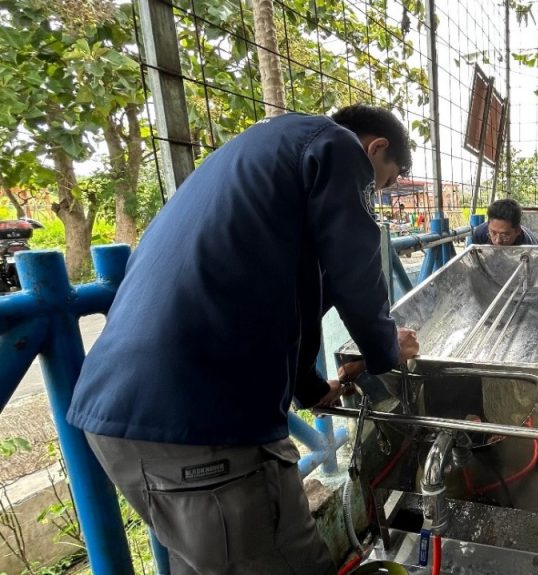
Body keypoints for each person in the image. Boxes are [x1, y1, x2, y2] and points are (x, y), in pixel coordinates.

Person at [67, 105, 420, 574]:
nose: (372, 194)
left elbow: (293, 296)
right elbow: (356, 266)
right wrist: (385, 350)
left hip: (118, 416)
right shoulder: (333, 144)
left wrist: (313, 390)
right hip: (205, 425)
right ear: (375, 148)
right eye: (381, 183)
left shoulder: (255, 155)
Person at [471, 198, 538, 246]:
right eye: (493, 233)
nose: (498, 241)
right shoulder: (480, 234)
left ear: (517, 231)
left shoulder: (529, 246)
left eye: (505, 235)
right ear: (488, 225)